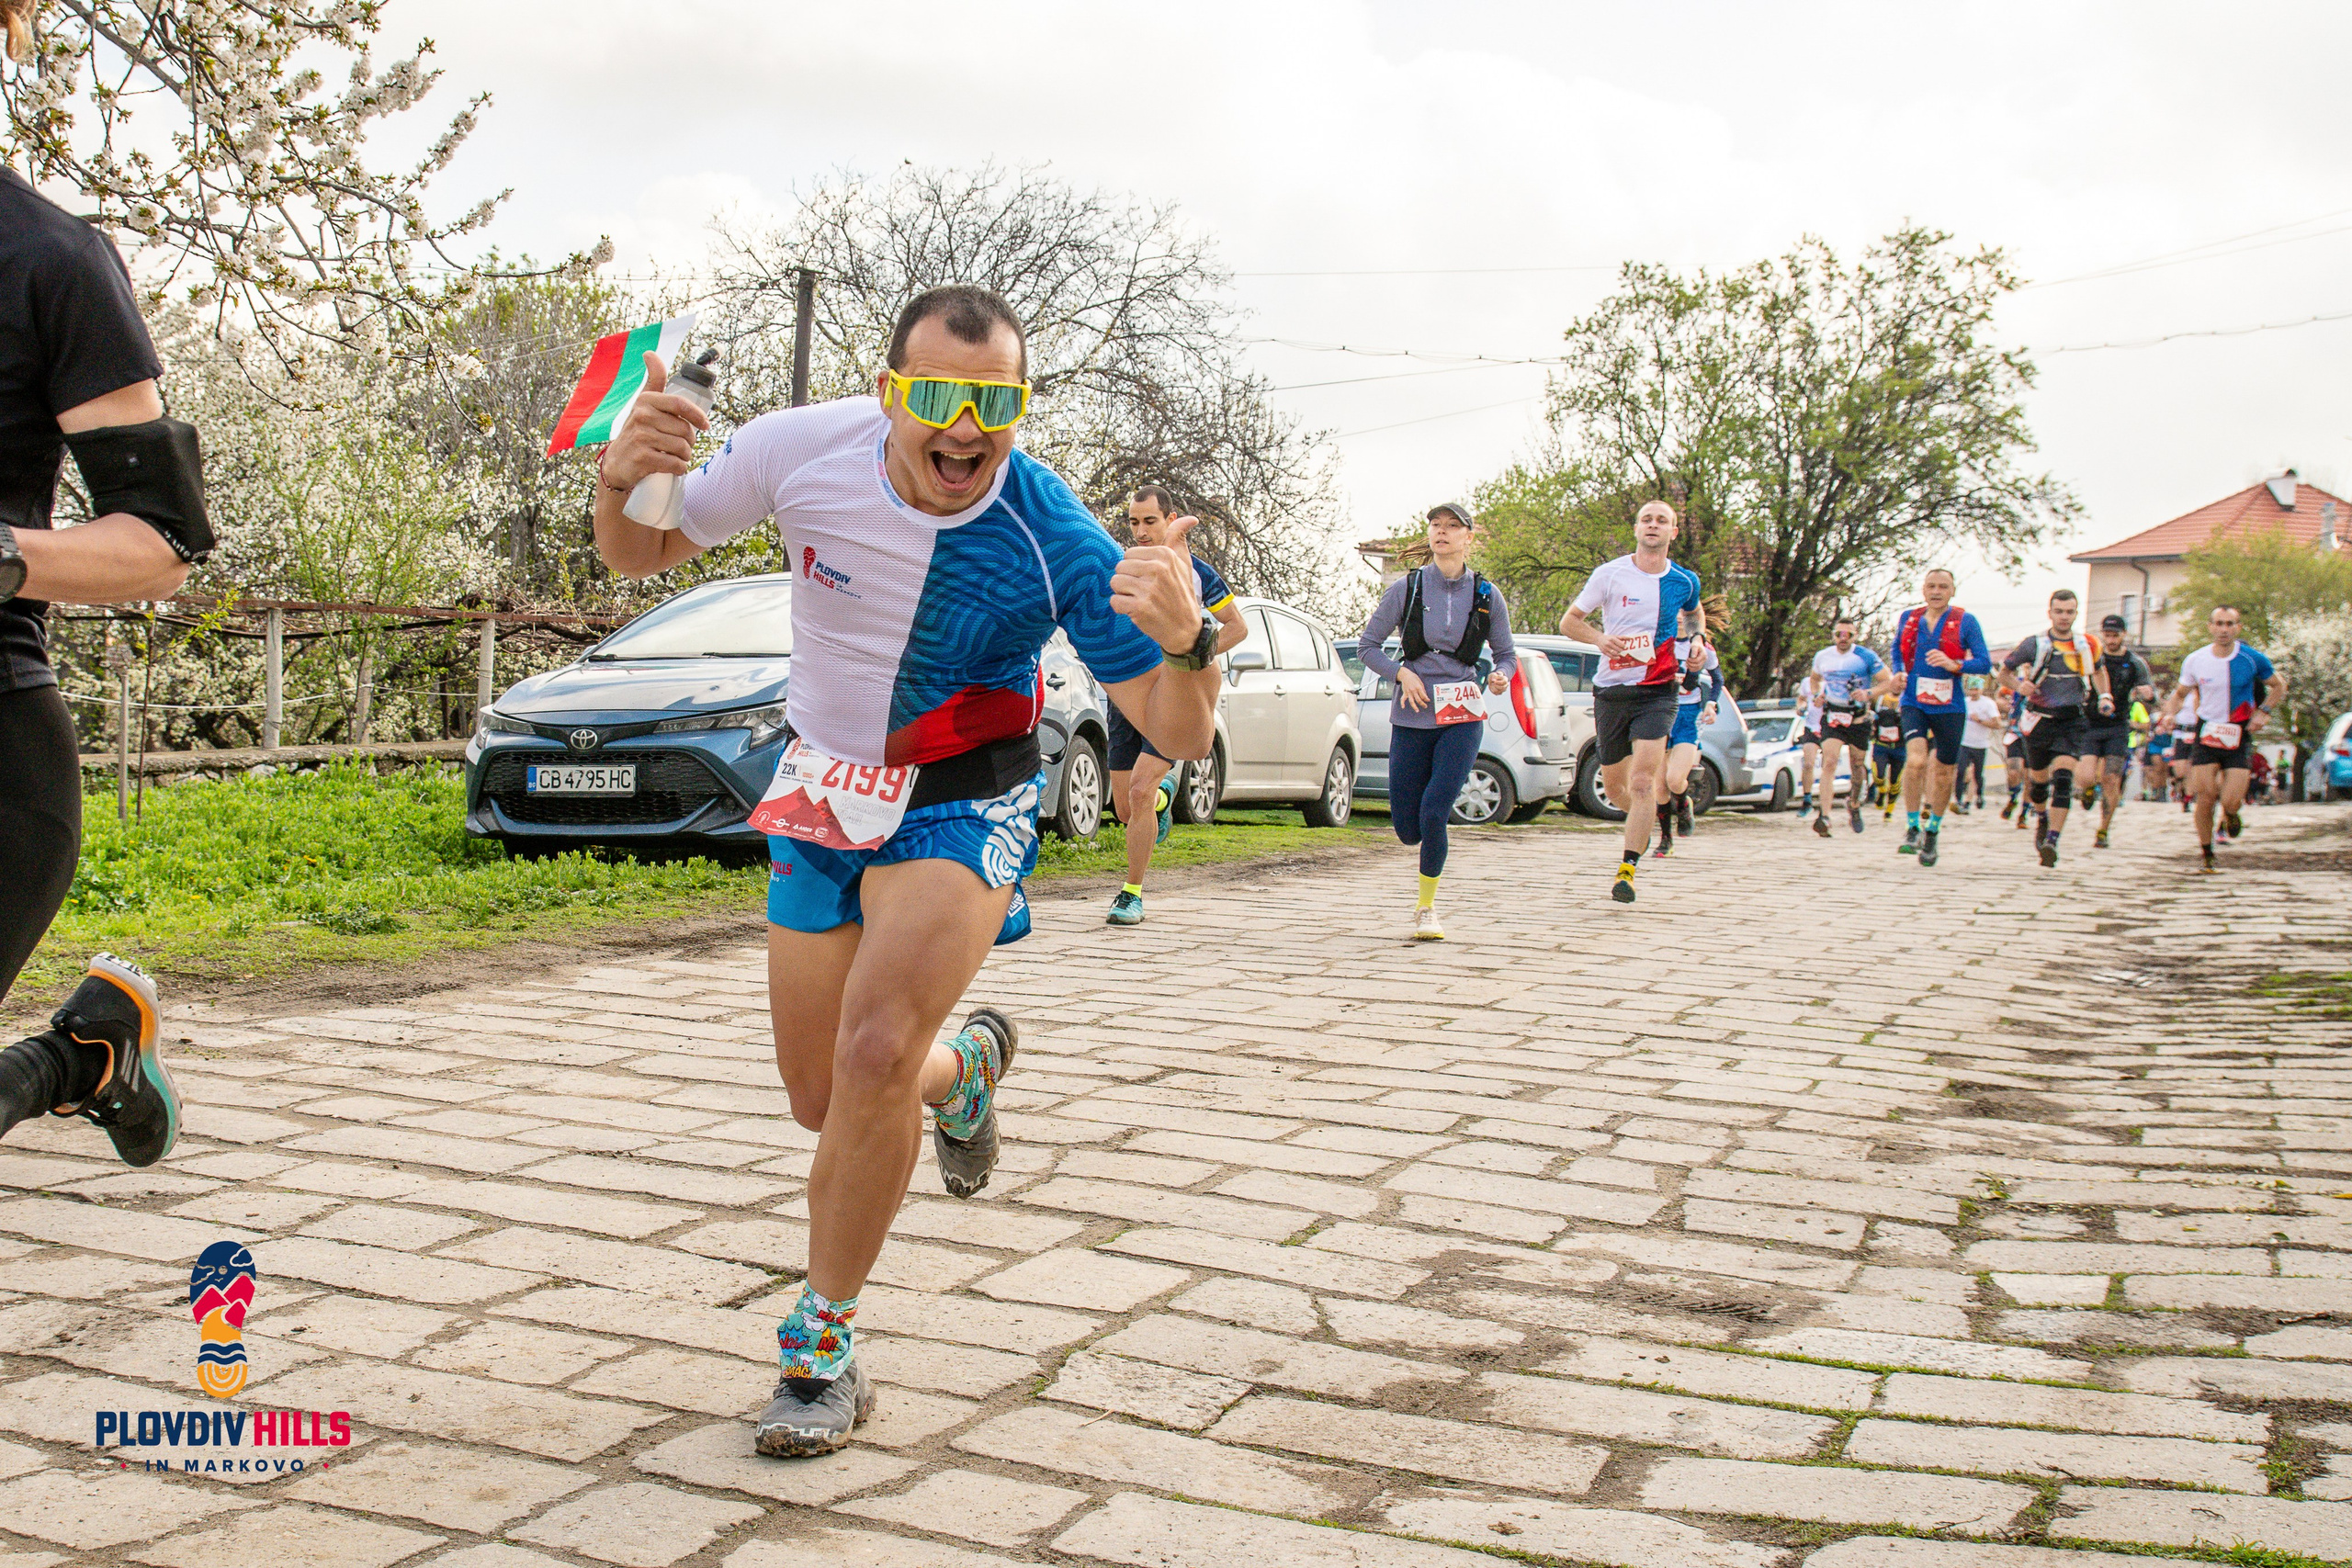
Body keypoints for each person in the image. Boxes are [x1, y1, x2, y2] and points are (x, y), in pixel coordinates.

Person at [593, 284, 1220, 1454]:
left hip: (965, 794)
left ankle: (820, 1348)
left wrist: (1192, 645)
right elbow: (640, 550)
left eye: (995, 403)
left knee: (872, 1048)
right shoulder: (797, 449)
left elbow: (1177, 731)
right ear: (888, 392)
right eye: (936, 395)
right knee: (822, 1096)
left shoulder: (1051, 532)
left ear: (1021, 407)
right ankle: (962, 1071)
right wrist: (619, 477)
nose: (964, 428)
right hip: (822, 785)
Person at [0, 84, 209, 1169]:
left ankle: (75, 1060)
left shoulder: (50, 259)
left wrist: (5, 554)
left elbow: (162, 541)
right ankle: (88, 1053)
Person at [1358, 503, 1514, 937]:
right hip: (1412, 714)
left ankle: (1426, 909)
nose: (1442, 532)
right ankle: (1419, 853)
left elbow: (1506, 655)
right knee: (1409, 828)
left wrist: (1501, 675)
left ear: (1468, 537)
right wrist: (1401, 673)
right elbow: (1367, 647)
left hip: (1462, 713)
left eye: (1452, 526)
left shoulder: (1487, 594)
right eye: (1436, 525)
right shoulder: (1406, 588)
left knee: (1435, 810)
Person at [1102, 486, 1246, 928]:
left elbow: (1237, 628)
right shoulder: (1123, 568)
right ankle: (1164, 799)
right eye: (1134, 522)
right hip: (1128, 694)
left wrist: (1193, 656)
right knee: (1126, 808)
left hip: (1175, 691)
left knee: (1140, 790)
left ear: (1169, 520)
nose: (1141, 531)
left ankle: (1131, 893)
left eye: (1150, 521)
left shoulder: (1197, 573)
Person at [1561, 500, 1703, 904]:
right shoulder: (1609, 574)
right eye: (1646, 520)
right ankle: (1651, 816)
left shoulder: (1684, 580)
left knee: (1643, 781)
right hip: (1612, 691)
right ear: (1637, 529)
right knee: (1617, 788)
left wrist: (1696, 640)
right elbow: (1569, 622)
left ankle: (1627, 871)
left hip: (1658, 691)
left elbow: (1695, 614)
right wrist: (1600, 639)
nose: (1653, 525)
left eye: (1662, 521)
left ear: (1673, 532)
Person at [2154, 605, 2283, 875]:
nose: (2224, 629)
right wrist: (2169, 715)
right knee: (2205, 795)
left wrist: (2264, 712)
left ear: (2238, 628)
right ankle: (2207, 852)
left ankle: (2232, 814)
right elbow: (2180, 694)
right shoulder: (2196, 659)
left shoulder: (2252, 658)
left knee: (2231, 800)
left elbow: (2278, 685)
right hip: (2207, 732)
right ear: (2210, 627)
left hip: (2238, 732)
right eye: (2219, 623)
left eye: (2229, 624)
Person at [2000, 589, 2110, 870]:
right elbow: (2004, 673)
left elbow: (2099, 670)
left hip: (2072, 720)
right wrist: (2019, 686)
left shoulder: (2087, 644)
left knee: (2063, 778)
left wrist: (2105, 696)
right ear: (2050, 613)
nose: (2064, 617)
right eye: (2059, 611)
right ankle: (2042, 817)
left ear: (2076, 614)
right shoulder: (2034, 644)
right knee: (2038, 783)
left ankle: (2052, 840)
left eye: (2069, 612)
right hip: (2038, 719)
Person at [1887, 569, 1990, 868]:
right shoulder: (1909, 618)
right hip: (1914, 702)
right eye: (1931, 586)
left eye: (1943, 587)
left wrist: (1954, 664)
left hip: (1950, 707)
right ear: (1923, 589)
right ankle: (1912, 826)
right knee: (1916, 761)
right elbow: (1897, 649)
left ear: (1952, 590)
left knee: (1944, 772)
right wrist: (1898, 672)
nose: (1936, 591)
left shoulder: (1966, 621)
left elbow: (1983, 663)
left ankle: (1932, 830)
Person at [1806, 616, 1884, 839]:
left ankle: (1855, 804)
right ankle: (1824, 816)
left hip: (1858, 718)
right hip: (1833, 715)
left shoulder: (1865, 656)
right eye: (1839, 634)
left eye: (1848, 635)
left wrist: (1868, 694)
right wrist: (1817, 694)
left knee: (1857, 764)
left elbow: (1888, 681)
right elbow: (1814, 679)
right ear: (1833, 636)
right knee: (1829, 762)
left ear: (1855, 636)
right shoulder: (1823, 656)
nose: (1843, 638)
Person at [2082, 614, 2155, 850]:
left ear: (2124, 635)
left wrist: (2148, 694)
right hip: (2090, 723)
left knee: (2112, 779)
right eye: (2107, 635)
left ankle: (2103, 829)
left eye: (2115, 635)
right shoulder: (2093, 658)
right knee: (2085, 775)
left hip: (2117, 726)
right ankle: (2088, 787)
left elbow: (2150, 690)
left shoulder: (2134, 662)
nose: (2111, 640)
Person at [1657, 603, 1724, 854]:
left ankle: (1684, 803)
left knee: (1675, 780)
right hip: (1660, 712)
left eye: (1683, 614)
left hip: (1687, 715)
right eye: (1674, 613)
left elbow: (1717, 679)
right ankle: (1665, 839)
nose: (1678, 618)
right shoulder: (1660, 642)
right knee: (1659, 786)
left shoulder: (1702, 648)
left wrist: (1711, 705)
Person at [1959, 677, 2000, 814]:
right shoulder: (1964, 702)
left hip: (1980, 744)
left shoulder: (1988, 704)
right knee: (1961, 771)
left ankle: (1978, 795)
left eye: (1976, 689)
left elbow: (1997, 724)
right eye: (1971, 689)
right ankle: (1960, 800)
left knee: (1977, 774)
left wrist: (1980, 721)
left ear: (1981, 689)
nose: (1974, 692)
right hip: (1964, 742)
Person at [1871, 692, 1906, 818]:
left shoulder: (1908, 698)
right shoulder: (1879, 698)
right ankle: (1882, 791)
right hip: (1881, 745)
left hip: (1900, 747)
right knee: (1878, 775)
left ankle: (1889, 811)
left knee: (1895, 782)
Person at [1796, 689, 1824, 817]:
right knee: (1808, 764)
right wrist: (1801, 707)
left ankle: (1824, 803)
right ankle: (1807, 801)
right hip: (1811, 728)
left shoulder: (1831, 680)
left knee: (1828, 766)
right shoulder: (1807, 682)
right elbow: (1801, 699)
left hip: (1829, 727)